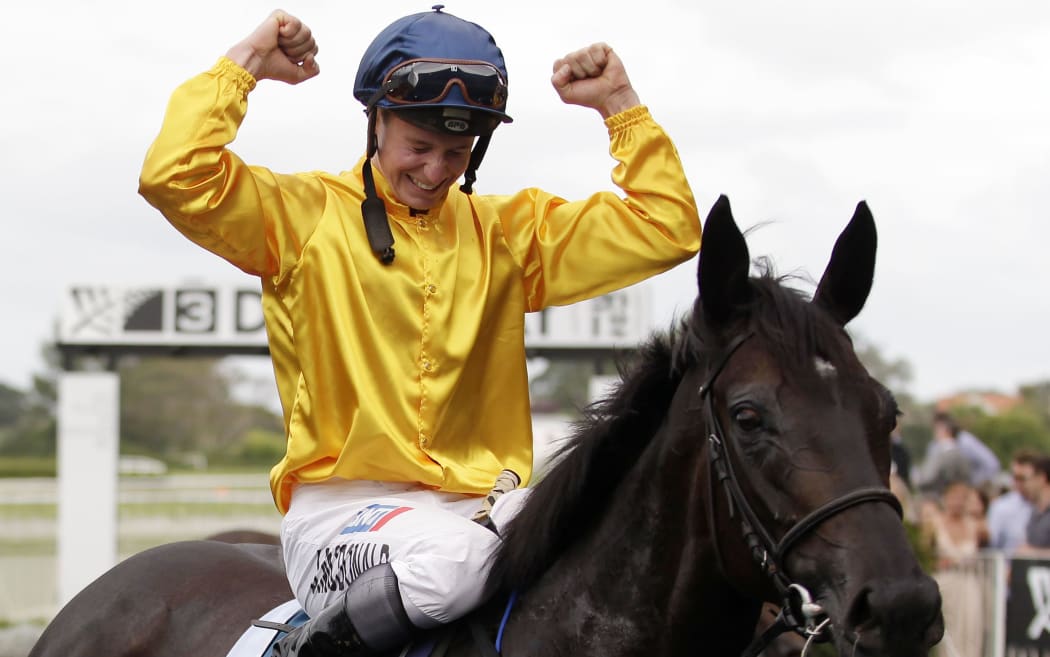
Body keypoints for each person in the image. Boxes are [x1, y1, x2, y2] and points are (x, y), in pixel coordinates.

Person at [138, 7, 702, 657]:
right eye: (419, 147)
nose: (436, 172)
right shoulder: (300, 217)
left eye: (456, 153)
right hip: (339, 521)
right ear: (376, 121)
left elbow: (668, 227)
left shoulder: (509, 235)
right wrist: (246, 67)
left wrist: (619, 105)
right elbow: (172, 174)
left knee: (615, 527)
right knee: (459, 560)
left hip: (481, 512)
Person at [986, 449, 1037, 554]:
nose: (1017, 483)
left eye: (1022, 478)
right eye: (1014, 477)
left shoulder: (1044, 507)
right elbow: (991, 545)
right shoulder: (1001, 507)